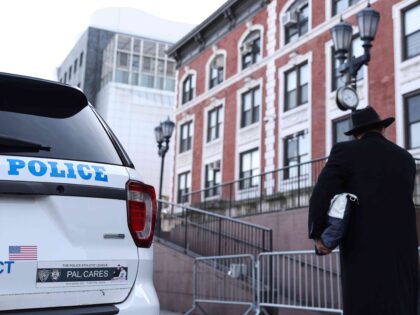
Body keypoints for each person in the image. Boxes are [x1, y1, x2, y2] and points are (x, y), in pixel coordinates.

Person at [308, 106, 419, 315]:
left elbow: (321, 193)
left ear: (357, 134)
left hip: (364, 250)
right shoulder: (405, 158)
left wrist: (319, 236)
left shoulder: (345, 151)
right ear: (382, 129)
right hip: (404, 253)